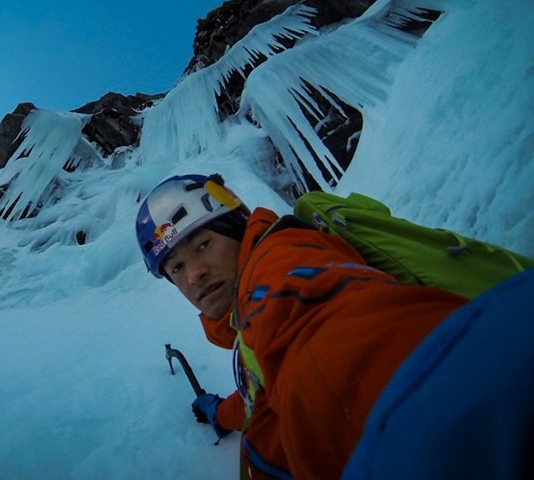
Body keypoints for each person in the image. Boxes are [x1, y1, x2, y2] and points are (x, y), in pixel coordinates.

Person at [135, 173, 468, 480]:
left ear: (237, 228)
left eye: (203, 245)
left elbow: (332, 345)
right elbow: (262, 387)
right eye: (176, 267)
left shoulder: (281, 266)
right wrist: (220, 414)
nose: (194, 274)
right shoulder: (249, 321)